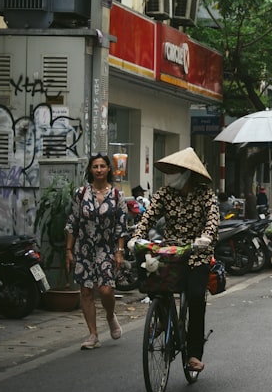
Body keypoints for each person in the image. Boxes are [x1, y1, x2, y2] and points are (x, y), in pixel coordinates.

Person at [129, 147, 219, 374]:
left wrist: (207, 236)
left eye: (175, 171)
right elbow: (147, 218)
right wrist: (136, 237)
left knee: (197, 298)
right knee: (152, 282)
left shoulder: (206, 194)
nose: (171, 176)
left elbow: (213, 218)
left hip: (198, 253)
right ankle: (162, 316)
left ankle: (194, 354)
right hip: (170, 252)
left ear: (187, 173)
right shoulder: (164, 194)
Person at [65, 153, 127, 350]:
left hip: (107, 248)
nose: (99, 170)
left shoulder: (117, 196)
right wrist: (69, 249)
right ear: (90, 170)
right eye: (95, 167)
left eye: (102, 166)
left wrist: (119, 251)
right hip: (84, 248)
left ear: (108, 169)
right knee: (86, 291)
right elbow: (72, 222)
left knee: (106, 289)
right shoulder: (81, 194)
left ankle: (110, 315)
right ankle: (93, 334)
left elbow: (121, 226)